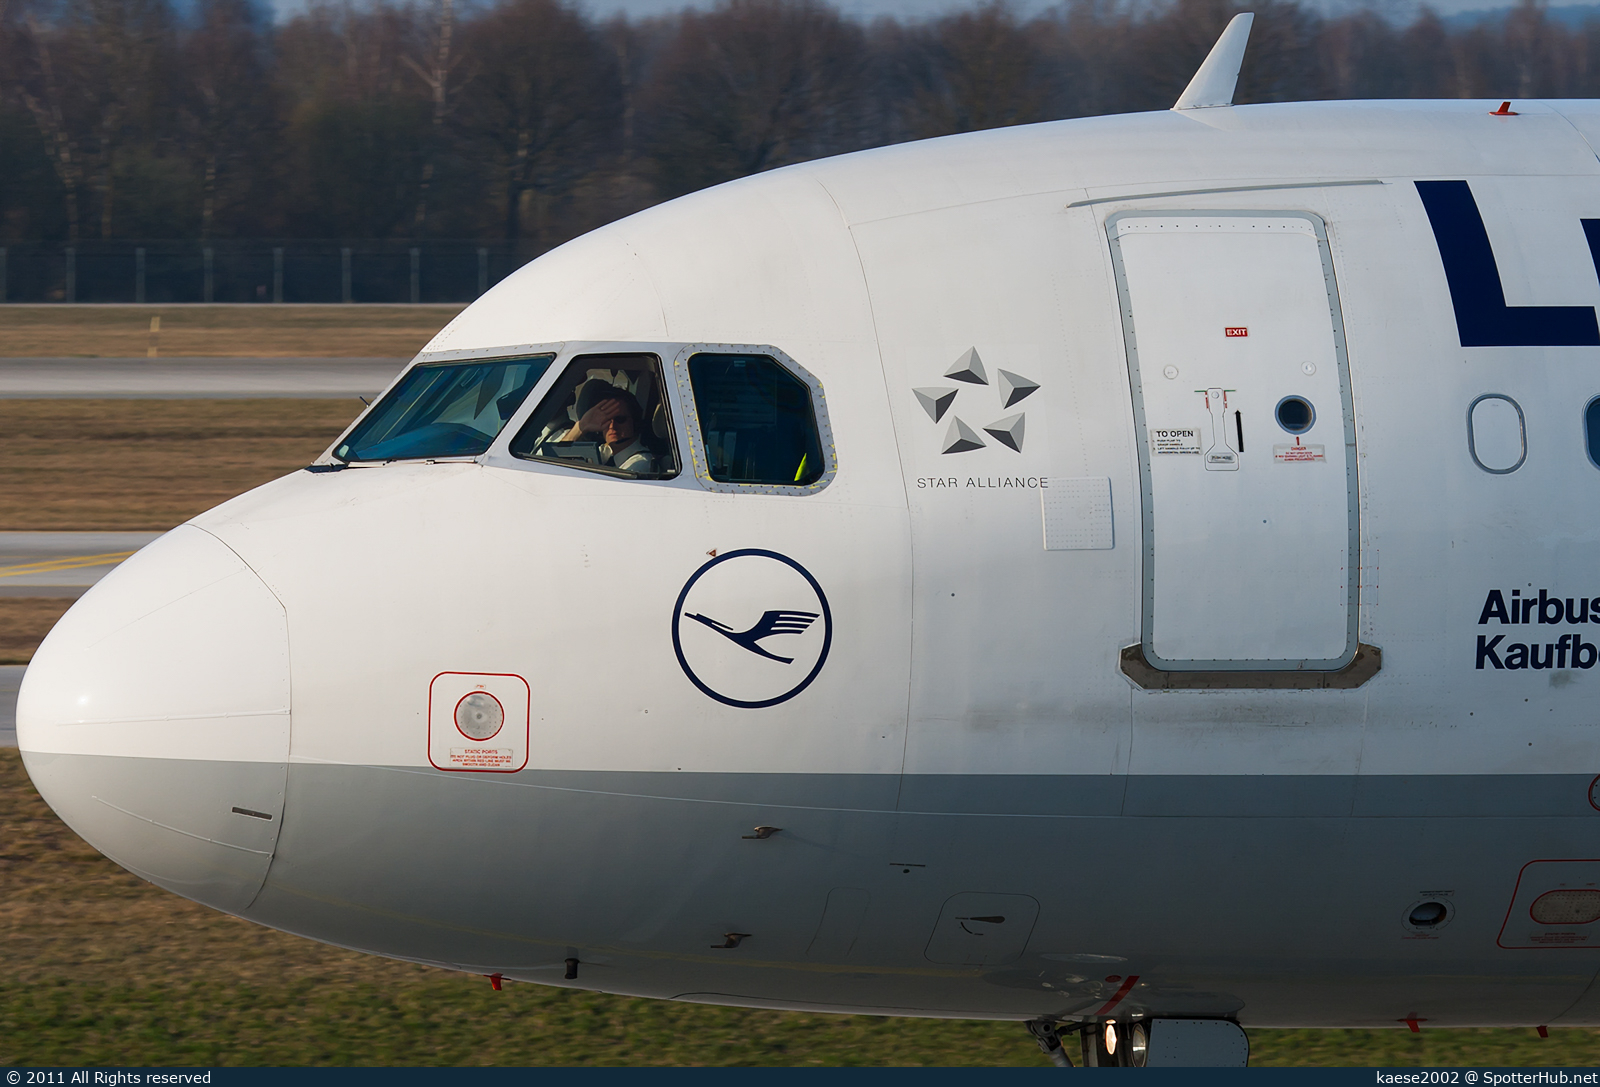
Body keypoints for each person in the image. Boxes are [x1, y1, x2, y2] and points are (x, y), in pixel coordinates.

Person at [535, 379, 658, 475]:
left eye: (620, 419)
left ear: (635, 422)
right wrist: (581, 427)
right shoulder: (605, 453)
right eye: (606, 420)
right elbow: (549, 467)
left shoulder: (640, 464)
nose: (612, 426)